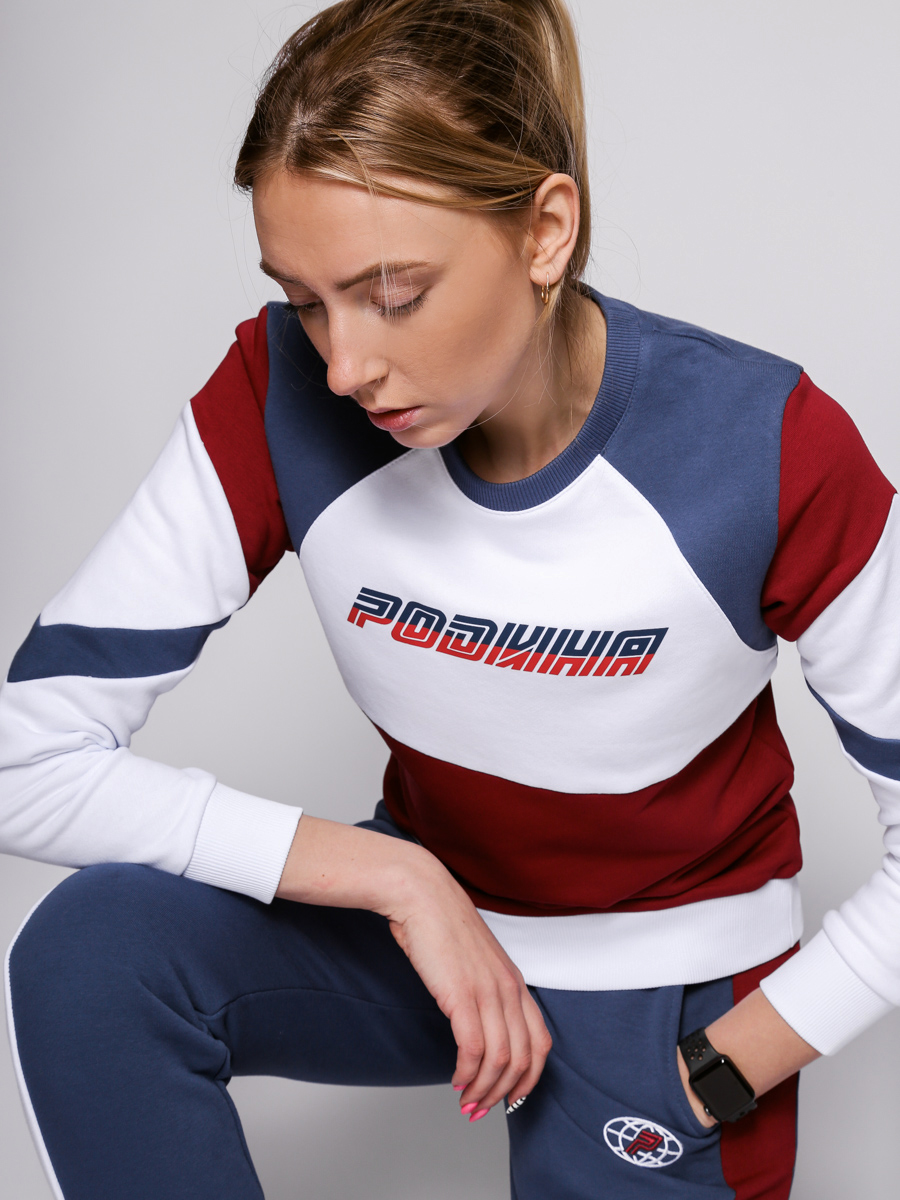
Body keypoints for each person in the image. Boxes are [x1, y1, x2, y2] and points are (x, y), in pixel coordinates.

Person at [2, 0, 898, 1196]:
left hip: (665, 993)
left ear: (545, 231)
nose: (344, 366)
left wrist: (737, 1063)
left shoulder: (766, 445)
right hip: (422, 940)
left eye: (392, 294)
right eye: (307, 299)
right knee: (95, 956)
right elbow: (23, 757)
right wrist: (400, 880)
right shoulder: (280, 395)